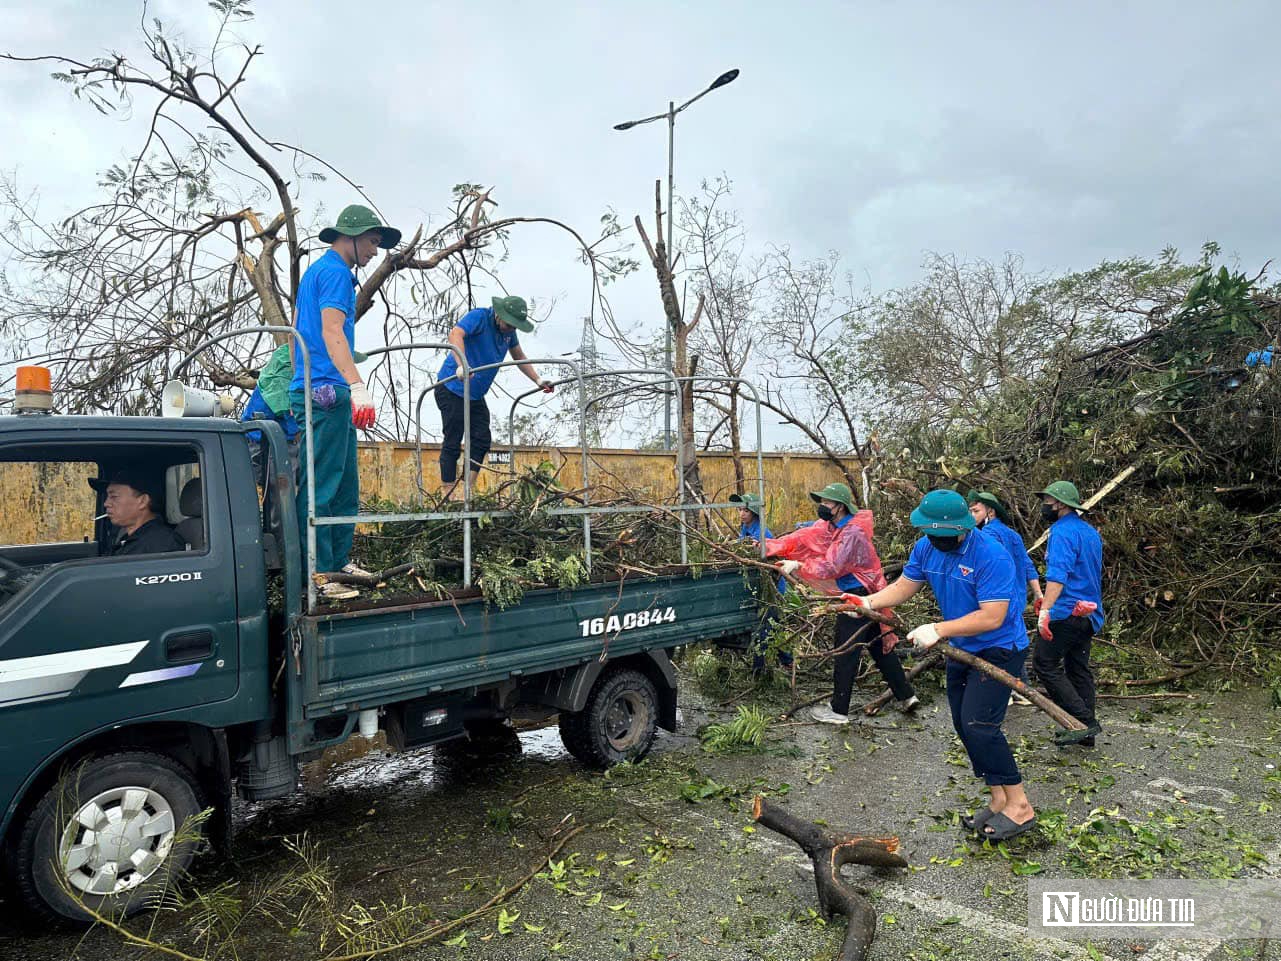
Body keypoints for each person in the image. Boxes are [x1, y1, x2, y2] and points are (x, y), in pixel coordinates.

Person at [845, 489, 1035, 841]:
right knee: (965, 725)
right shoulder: (926, 547)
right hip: (960, 648)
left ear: (963, 527)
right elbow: (904, 586)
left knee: (981, 726)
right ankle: (998, 799)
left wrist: (938, 629)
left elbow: (993, 617)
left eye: (944, 535)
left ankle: (1020, 805)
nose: (937, 541)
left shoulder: (991, 555)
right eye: (931, 534)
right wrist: (866, 601)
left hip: (998, 649)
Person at [289, 203, 401, 600]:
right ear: (350, 236)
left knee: (343, 485)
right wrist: (356, 383)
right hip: (324, 388)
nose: (374, 251)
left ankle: (337, 562)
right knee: (322, 485)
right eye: (372, 242)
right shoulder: (335, 272)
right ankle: (318, 573)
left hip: (325, 389)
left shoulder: (323, 273)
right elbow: (332, 331)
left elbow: (296, 339)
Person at [770, 482, 918, 724]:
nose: (823, 506)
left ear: (839, 507)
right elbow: (813, 533)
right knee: (878, 647)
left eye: (827, 503)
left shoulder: (851, 533)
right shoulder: (840, 528)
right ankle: (907, 696)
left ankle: (839, 710)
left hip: (857, 596)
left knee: (846, 649)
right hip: (868, 594)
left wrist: (799, 565)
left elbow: (832, 566)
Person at [435, 296, 553, 499]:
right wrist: (462, 363)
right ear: (499, 314)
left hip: (475, 395)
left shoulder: (509, 332)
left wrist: (538, 380)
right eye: (509, 324)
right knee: (454, 438)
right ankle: (448, 494)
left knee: (481, 439)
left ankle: (466, 491)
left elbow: (518, 356)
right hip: (452, 387)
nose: (510, 329)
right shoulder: (480, 317)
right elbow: (456, 334)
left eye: (515, 326)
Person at [1034, 481, 1105, 747]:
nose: (1044, 507)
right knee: (1078, 668)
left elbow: (1057, 576)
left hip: (1067, 612)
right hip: (1089, 614)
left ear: (1060, 504)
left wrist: (1046, 610)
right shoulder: (1090, 532)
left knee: (1045, 664)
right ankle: (1085, 735)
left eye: (1047, 502)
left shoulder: (1061, 532)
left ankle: (1085, 722)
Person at [967, 490, 1042, 707]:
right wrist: (1038, 594)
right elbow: (1028, 566)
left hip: (997, 599)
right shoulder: (1013, 535)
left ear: (990, 511)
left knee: (997, 644)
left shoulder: (988, 535)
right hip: (1016, 599)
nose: (971, 516)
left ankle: (1006, 689)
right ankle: (1020, 690)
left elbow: (988, 568)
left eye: (975, 511)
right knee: (1012, 642)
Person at [729, 492, 794, 676]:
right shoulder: (745, 528)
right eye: (739, 510)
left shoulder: (762, 531)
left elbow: (765, 559)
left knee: (766, 628)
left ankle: (760, 671)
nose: (741, 514)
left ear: (754, 512)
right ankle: (786, 661)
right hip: (759, 587)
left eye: (745, 510)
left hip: (772, 589)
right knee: (770, 626)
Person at [103, 469, 186, 556]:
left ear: (143, 501)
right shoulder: (129, 539)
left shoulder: (162, 544)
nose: (106, 504)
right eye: (108, 497)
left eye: (114, 496)